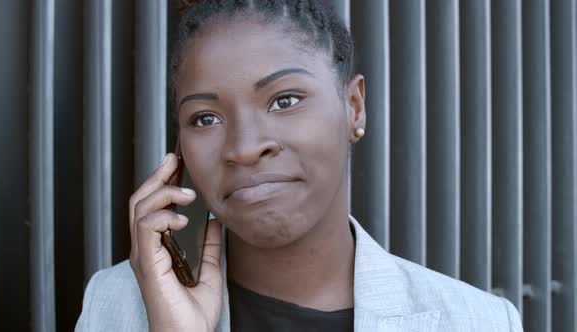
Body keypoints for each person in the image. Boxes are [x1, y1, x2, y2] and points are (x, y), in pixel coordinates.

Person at [75, 0, 523, 331]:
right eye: (205, 118)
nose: (245, 148)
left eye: (284, 100)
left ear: (354, 107)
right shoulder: (114, 307)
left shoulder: (478, 321)